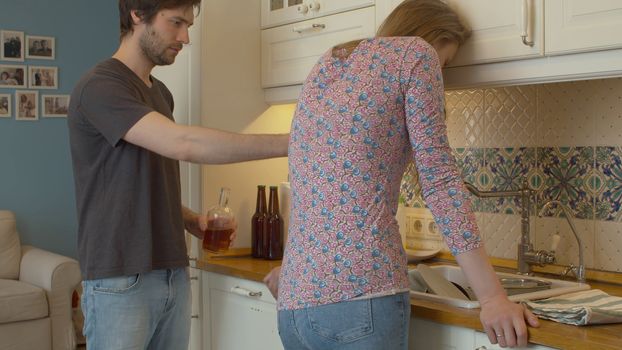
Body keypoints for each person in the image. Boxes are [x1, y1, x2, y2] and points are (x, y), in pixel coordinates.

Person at [263, 0, 540, 349]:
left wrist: (295, 270)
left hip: (294, 306)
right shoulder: (416, 54)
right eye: (447, 62)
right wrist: (492, 298)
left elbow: (310, 176)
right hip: (361, 297)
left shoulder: (330, 60)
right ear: (431, 37)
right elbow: (440, 183)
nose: (442, 73)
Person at [66, 1, 288, 349]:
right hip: (121, 275)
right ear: (138, 14)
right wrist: (294, 141)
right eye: (176, 23)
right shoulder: (99, 86)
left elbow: (142, 178)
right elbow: (183, 143)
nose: (185, 37)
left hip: (172, 269)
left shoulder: (160, 92)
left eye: (189, 25)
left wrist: (188, 219)